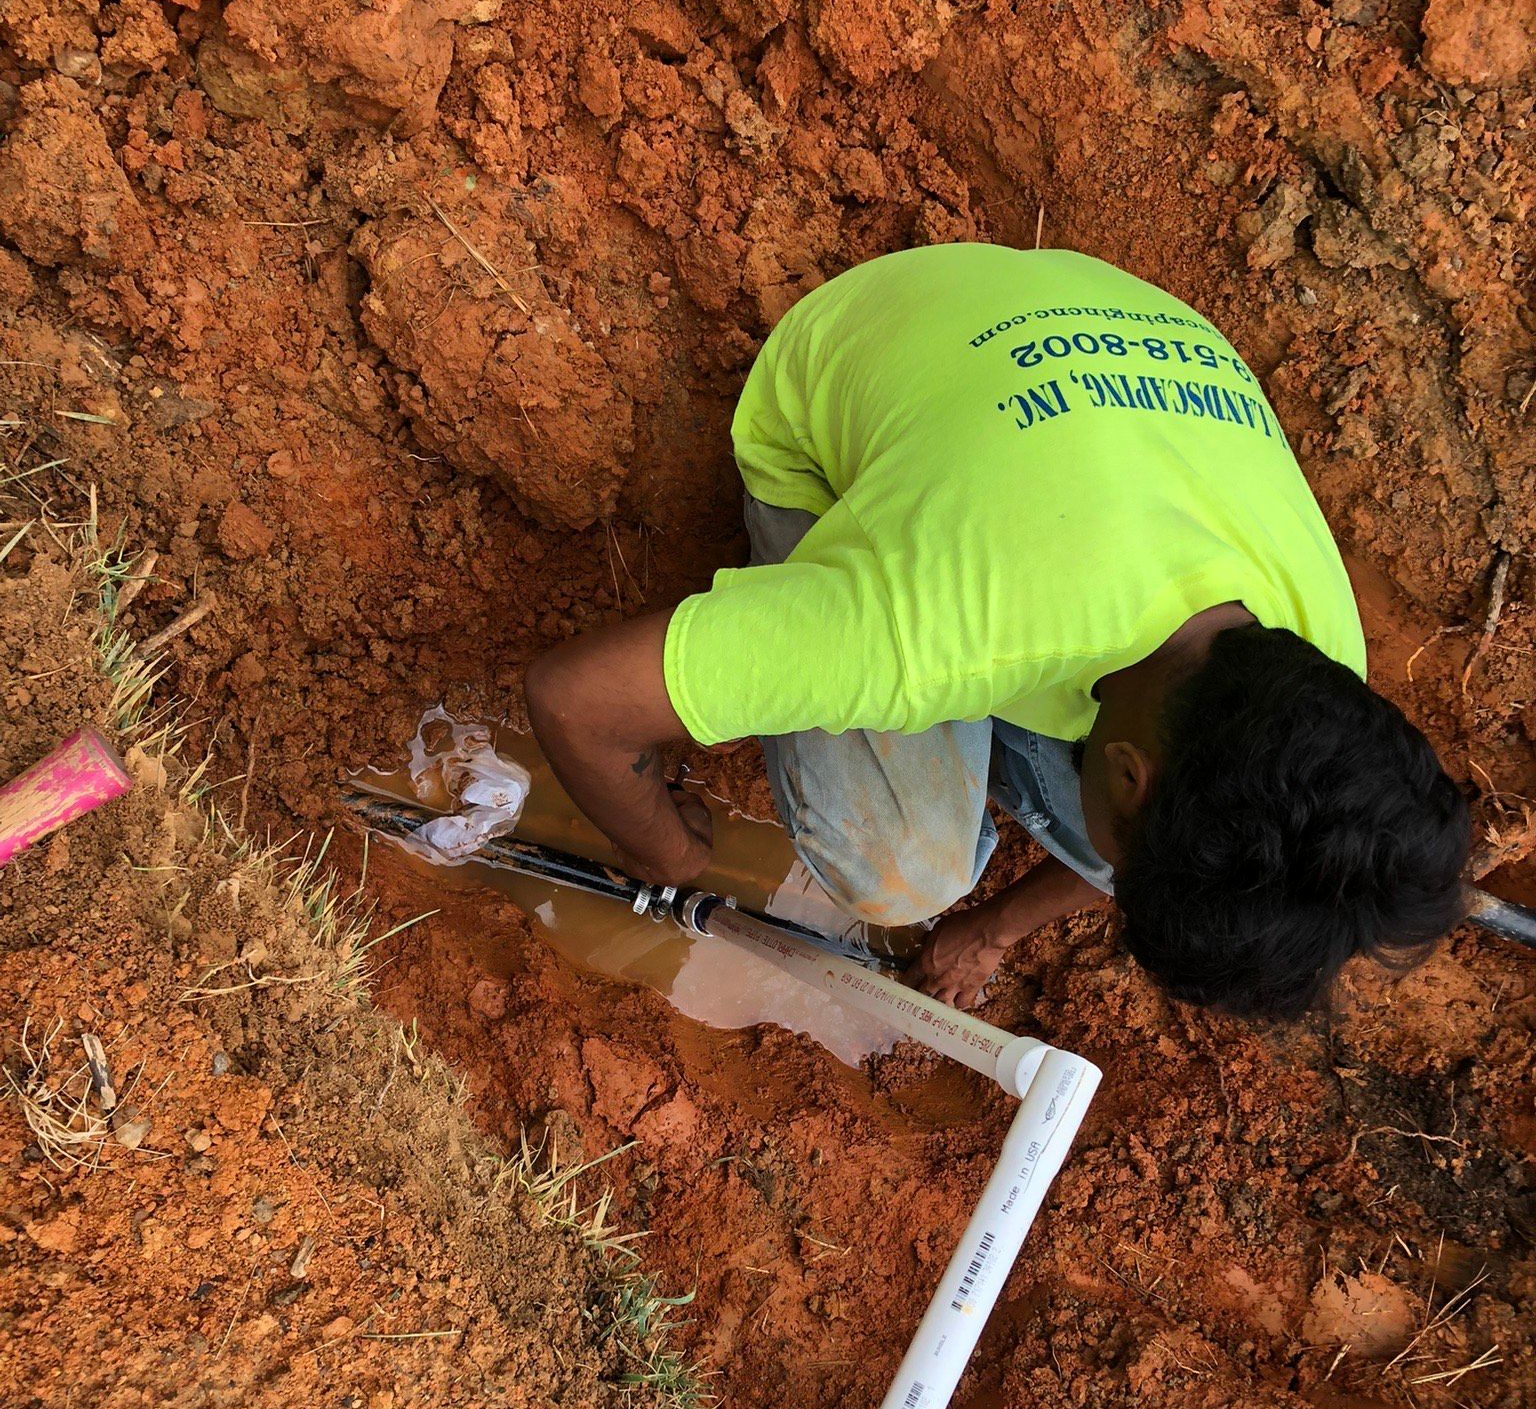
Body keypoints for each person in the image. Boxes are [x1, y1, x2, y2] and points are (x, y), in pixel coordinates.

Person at [525, 244, 1468, 1019]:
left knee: (1177, 843)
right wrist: (667, 854)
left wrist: (995, 928)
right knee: (901, 867)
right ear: (1130, 772)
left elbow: (1145, 847)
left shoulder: (1319, 680)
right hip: (859, 368)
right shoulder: (921, 623)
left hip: (1086, 319)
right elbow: (575, 701)